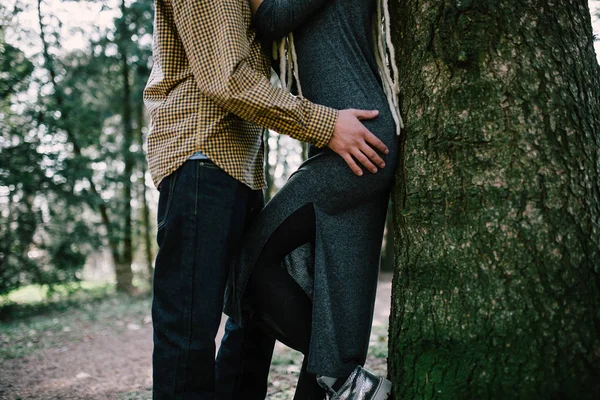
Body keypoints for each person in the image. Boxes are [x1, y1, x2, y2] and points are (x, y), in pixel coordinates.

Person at [142, 0, 391, 398]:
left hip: (240, 161)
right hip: (199, 153)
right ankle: (344, 377)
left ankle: (341, 376)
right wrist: (324, 125)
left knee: (250, 324)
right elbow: (227, 78)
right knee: (188, 327)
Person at [224, 0, 403, 399]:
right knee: (333, 298)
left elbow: (271, 16)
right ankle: (344, 379)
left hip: (358, 145)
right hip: (354, 144)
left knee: (249, 267)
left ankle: (345, 378)